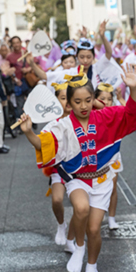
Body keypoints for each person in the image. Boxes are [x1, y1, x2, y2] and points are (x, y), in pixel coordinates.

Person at [19, 65, 136, 272]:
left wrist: (133, 90)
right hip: (78, 179)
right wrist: (29, 132)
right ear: (68, 103)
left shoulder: (106, 116)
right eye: (77, 102)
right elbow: (44, 144)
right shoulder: (63, 125)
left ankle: (92, 266)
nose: (83, 106)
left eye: (88, 100)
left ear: (93, 99)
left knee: (95, 229)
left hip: (103, 179)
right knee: (80, 208)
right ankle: (79, 247)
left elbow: (132, 115)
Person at [42, 81, 75, 252]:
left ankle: (71, 239)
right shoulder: (51, 125)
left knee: (81, 207)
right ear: (56, 101)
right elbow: (41, 143)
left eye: (70, 97)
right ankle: (61, 225)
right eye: (63, 98)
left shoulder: (83, 118)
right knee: (57, 200)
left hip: (81, 171)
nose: (68, 102)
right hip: (60, 169)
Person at [94, 82, 126, 230]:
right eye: (101, 98)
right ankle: (95, 215)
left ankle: (111, 217)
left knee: (113, 187)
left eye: (108, 99)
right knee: (94, 188)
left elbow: (129, 113)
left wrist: (120, 99)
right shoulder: (91, 114)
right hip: (95, 157)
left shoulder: (115, 111)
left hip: (113, 155)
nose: (105, 102)